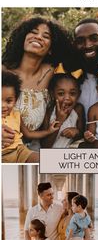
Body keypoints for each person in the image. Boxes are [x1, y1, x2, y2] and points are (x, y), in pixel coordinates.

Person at [2, 16, 73, 150]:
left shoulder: (51, 72)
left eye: (46, 36)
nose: (38, 37)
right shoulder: (3, 71)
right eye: (33, 32)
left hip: (31, 146)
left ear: (51, 48)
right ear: (23, 38)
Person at [2, 70, 59, 163]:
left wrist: (49, 131)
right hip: (2, 155)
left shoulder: (16, 114)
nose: (3, 105)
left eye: (9, 101)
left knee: (43, 160)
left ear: (15, 100)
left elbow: (28, 133)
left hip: (20, 151)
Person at [41, 70, 85, 148]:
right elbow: (45, 145)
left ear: (79, 94)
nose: (67, 98)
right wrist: (59, 121)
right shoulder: (49, 111)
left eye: (72, 93)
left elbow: (81, 133)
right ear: (52, 94)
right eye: (61, 94)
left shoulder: (78, 109)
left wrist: (76, 132)